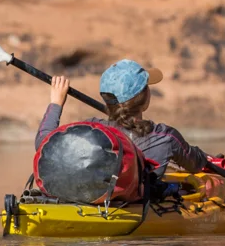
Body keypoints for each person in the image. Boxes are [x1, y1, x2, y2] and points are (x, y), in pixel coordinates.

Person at [34, 59, 209, 175]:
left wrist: (56, 103)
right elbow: (196, 163)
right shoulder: (165, 137)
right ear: (145, 98)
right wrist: (208, 159)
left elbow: (44, 144)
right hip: (140, 205)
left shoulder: (90, 129)